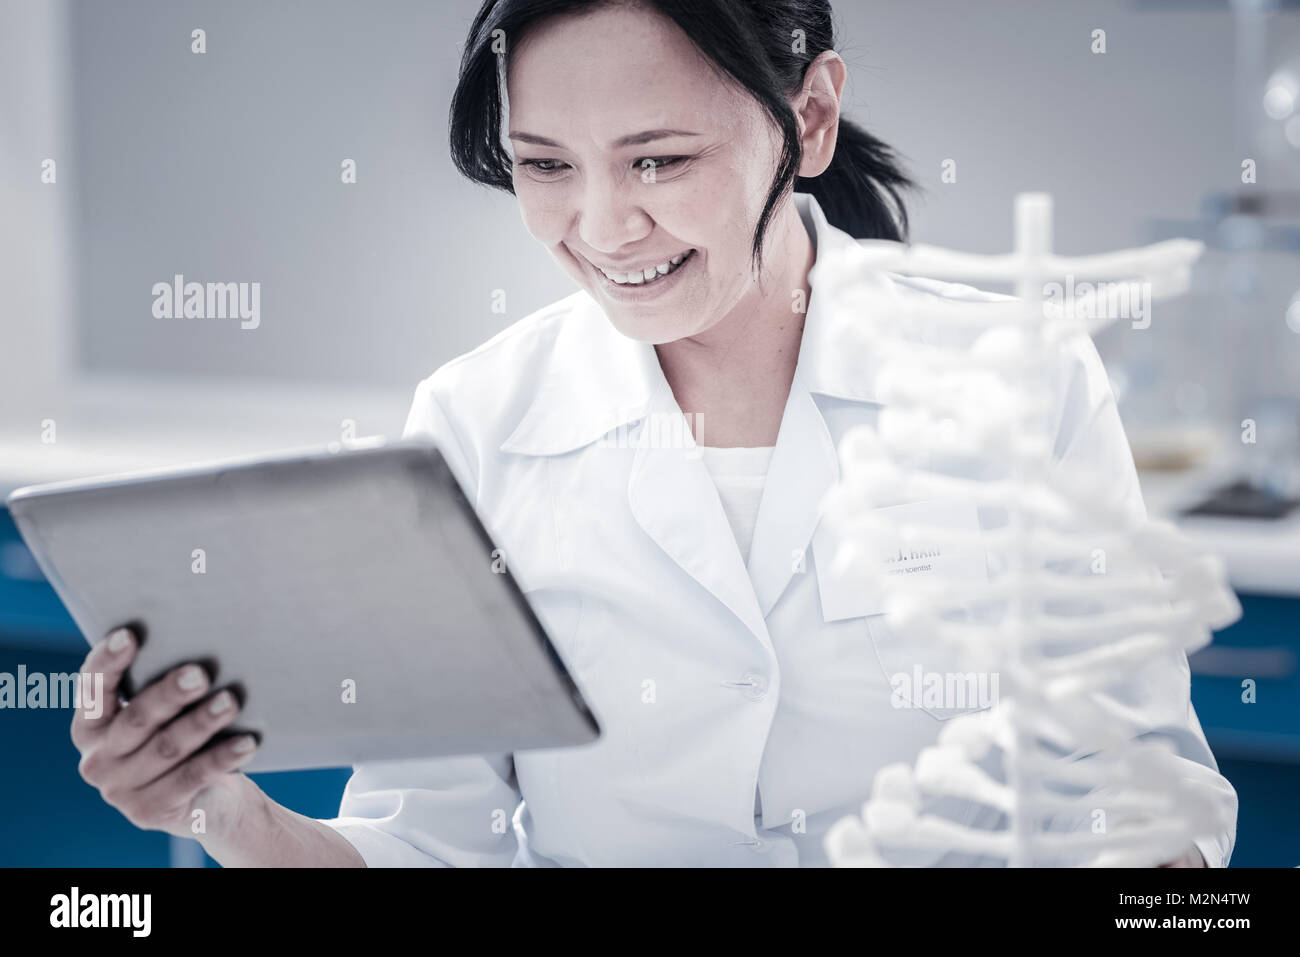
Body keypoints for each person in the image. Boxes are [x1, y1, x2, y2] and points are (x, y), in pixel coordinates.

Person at [70, 0, 1234, 867]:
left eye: (659, 160)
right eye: (544, 168)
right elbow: (430, 844)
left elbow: (1144, 808)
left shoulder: (1016, 384)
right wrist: (214, 807)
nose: (602, 225)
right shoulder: (478, 425)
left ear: (808, 117)